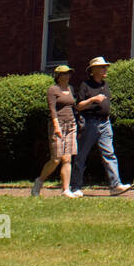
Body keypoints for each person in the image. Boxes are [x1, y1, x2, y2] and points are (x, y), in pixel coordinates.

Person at [71, 56, 133, 196]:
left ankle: (115, 185)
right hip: (90, 123)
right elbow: (79, 106)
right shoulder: (85, 86)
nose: (105, 69)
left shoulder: (105, 85)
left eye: (106, 67)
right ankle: (75, 187)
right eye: (102, 67)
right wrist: (93, 99)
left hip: (105, 123)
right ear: (93, 70)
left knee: (109, 153)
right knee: (82, 155)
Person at [33, 65, 80, 198]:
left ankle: (66, 190)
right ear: (58, 76)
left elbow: (73, 106)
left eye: (69, 73)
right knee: (56, 159)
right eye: (64, 74)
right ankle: (39, 181)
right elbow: (52, 109)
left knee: (67, 158)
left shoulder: (70, 89)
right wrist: (56, 125)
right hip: (58, 125)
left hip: (71, 124)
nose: (67, 76)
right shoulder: (53, 90)